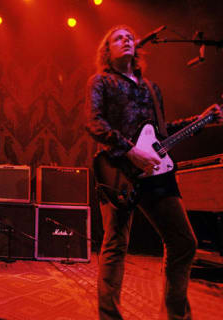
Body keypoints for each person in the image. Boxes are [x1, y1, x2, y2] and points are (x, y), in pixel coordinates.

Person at [85, 25, 222, 319]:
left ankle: (175, 316)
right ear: (107, 50)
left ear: (136, 48)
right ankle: (109, 316)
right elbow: (94, 123)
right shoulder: (101, 82)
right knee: (115, 244)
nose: (125, 40)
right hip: (117, 172)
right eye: (117, 38)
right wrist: (130, 150)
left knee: (184, 242)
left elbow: (161, 132)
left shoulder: (151, 88)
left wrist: (200, 122)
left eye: (128, 37)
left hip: (157, 174)